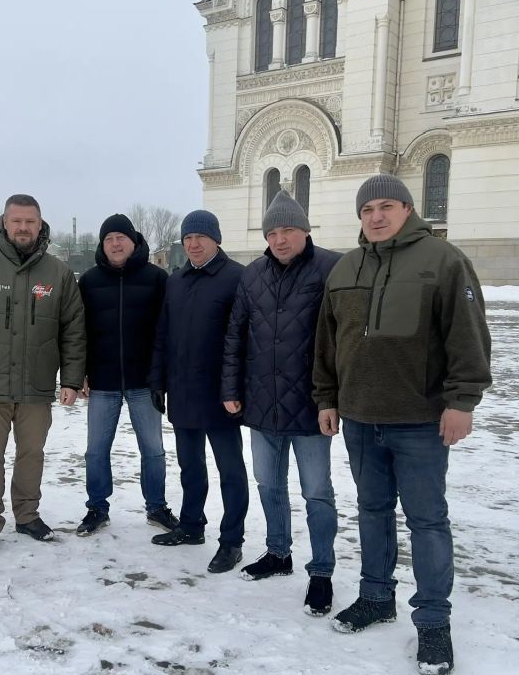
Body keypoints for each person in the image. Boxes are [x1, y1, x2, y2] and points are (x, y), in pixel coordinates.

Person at [312, 174, 492, 675]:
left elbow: (468, 336)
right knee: (372, 511)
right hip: (359, 418)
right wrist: (327, 398)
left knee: (427, 520)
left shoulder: (443, 260)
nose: (376, 217)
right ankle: (376, 597)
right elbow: (326, 343)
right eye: (367, 209)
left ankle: (433, 621)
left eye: (386, 206)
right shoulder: (345, 268)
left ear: (408, 209)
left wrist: (462, 401)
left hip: (419, 421)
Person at [0, 194, 86, 558]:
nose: (23, 228)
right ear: (4, 223)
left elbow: (73, 330)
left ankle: (27, 515)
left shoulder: (58, 272)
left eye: (30, 222)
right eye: (17, 221)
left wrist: (71, 380)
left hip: (36, 385)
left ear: (40, 225)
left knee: (32, 454)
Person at [222, 190, 342, 613]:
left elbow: (341, 337)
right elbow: (236, 334)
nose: (279, 239)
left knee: (317, 492)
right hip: (261, 404)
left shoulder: (331, 268)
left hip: (311, 407)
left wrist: (333, 398)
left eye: (288, 230)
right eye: (272, 233)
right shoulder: (253, 274)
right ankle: (278, 552)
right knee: (269, 484)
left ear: (305, 230)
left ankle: (322, 572)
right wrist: (231, 389)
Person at [148, 209, 248, 574]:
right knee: (190, 466)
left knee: (230, 471)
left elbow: (245, 339)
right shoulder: (177, 280)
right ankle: (191, 525)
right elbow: (163, 334)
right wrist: (158, 380)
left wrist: (237, 388)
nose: (193, 244)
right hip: (183, 390)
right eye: (188, 238)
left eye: (200, 237)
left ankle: (232, 541)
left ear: (216, 239)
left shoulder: (237, 277)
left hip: (222, 394)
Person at [75, 214, 177, 536]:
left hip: (143, 381)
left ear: (134, 242)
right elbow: (78, 331)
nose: (115, 244)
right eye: (109, 239)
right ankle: (97, 507)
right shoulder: (89, 281)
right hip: (102, 381)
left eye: (121, 238)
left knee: (153, 449)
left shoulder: (157, 278)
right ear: (102, 245)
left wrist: (161, 374)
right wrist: (80, 373)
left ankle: (156, 507)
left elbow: (167, 330)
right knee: (95, 450)